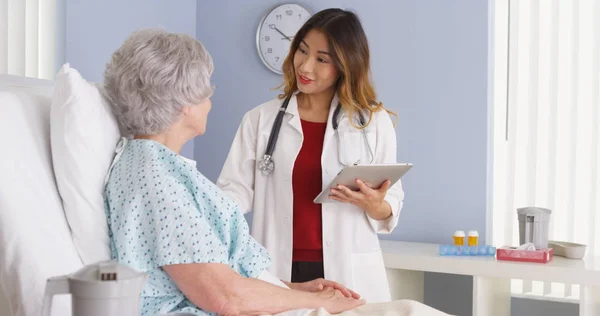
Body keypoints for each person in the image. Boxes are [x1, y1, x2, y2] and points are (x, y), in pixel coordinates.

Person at [102, 28, 364, 316]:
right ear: (184, 101)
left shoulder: (156, 168)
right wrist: (320, 303)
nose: (210, 102)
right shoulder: (158, 184)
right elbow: (225, 297)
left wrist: (292, 289)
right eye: (206, 90)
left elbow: (214, 277)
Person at [217, 8, 404, 303]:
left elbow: (391, 203)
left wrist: (375, 204)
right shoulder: (260, 121)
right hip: (280, 268)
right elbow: (232, 193)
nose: (305, 66)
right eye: (302, 51)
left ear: (345, 65)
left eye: (321, 59)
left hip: (348, 268)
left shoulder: (372, 123)